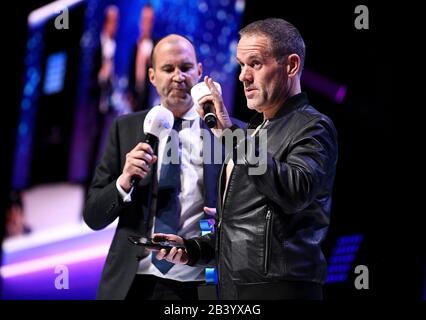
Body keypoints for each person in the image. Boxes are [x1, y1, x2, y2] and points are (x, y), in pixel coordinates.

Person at [155, 18, 338, 300]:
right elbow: (242, 228)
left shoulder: (313, 126)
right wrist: (192, 250)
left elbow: (295, 191)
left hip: (281, 292)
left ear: (290, 66)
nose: (243, 76)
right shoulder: (251, 133)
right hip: (235, 291)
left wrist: (230, 134)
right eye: (241, 65)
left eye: (255, 63)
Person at [83, 34, 243, 300]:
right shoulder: (126, 128)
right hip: (133, 282)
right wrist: (123, 182)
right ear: (152, 75)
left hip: (202, 283)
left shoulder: (229, 133)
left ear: (200, 72)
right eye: (168, 69)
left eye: (186, 68)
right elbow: (94, 217)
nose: (178, 76)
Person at [127, 3, 155, 112]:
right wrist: (130, 92)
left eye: (149, 20)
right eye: (144, 19)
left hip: (150, 97)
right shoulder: (135, 46)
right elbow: (130, 71)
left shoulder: (155, 46)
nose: (146, 24)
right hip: (135, 96)